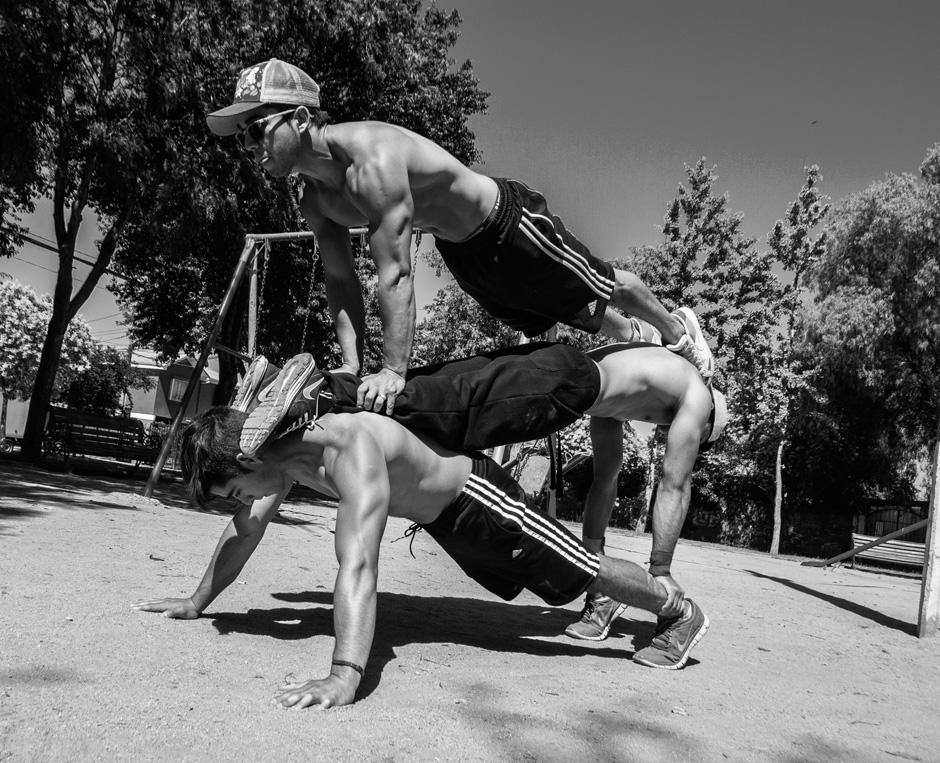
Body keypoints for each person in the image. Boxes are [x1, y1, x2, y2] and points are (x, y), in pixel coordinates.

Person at [133, 348, 716, 710]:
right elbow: (247, 527)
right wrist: (196, 599)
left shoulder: (347, 449)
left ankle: (675, 608)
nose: (242, 502)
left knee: (581, 570)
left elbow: (358, 565)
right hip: (442, 522)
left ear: (247, 461)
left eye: (234, 490)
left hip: (478, 501)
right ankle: (631, 605)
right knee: (563, 580)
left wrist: (344, 676)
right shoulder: (280, 457)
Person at [205, 58, 715, 430]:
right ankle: (630, 335)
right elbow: (340, 279)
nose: (249, 148)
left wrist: (392, 370)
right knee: (558, 312)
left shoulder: (371, 162)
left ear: (298, 118)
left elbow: (396, 274)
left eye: (255, 130)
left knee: (594, 283)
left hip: (506, 221)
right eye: (242, 137)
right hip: (463, 251)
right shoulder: (315, 199)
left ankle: (676, 330)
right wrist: (351, 363)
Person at [239, 340, 726, 642]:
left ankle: (303, 403)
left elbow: (606, 476)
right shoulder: (696, 397)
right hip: (562, 378)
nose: (681, 434)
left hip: (564, 377)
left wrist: (591, 558)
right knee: (448, 394)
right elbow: (674, 484)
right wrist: (663, 570)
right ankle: (320, 392)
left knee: (433, 395)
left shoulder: (633, 388)